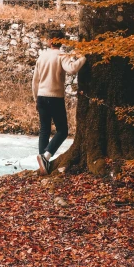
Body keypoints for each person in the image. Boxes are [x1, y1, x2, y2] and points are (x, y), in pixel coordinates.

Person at [32, 29, 86, 175]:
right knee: (62, 131)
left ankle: (43, 165)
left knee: (44, 130)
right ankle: (46, 157)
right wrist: (83, 57)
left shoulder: (42, 56)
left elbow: (35, 80)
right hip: (55, 97)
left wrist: (35, 97)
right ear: (62, 42)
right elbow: (72, 69)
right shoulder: (62, 55)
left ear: (50, 41)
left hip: (41, 97)